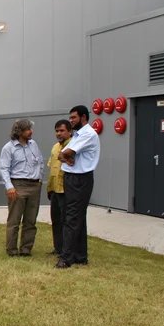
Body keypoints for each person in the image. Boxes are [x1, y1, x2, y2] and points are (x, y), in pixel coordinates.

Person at [55, 105, 101, 268]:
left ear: (83, 117)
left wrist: (65, 156)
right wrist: (65, 156)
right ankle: (80, 256)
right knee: (77, 217)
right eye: (70, 117)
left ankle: (65, 258)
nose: (71, 121)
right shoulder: (78, 135)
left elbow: (66, 153)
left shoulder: (88, 134)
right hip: (72, 178)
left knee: (72, 218)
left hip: (80, 179)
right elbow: (61, 154)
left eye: (74, 118)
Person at [0, 118, 44, 257]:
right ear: (19, 131)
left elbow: (40, 162)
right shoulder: (9, 148)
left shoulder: (33, 144)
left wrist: (40, 178)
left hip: (34, 185)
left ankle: (26, 250)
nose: (31, 132)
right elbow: (4, 169)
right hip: (17, 185)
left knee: (31, 220)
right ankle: (12, 250)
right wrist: (9, 187)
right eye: (28, 129)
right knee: (14, 220)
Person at [46, 120, 72, 256]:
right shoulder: (55, 147)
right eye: (57, 131)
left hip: (65, 191)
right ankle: (57, 247)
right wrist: (49, 188)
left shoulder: (73, 146)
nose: (59, 133)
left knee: (65, 221)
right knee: (55, 220)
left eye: (62, 130)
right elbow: (52, 169)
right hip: (54, 191)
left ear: (70, 131)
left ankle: (66, 250)